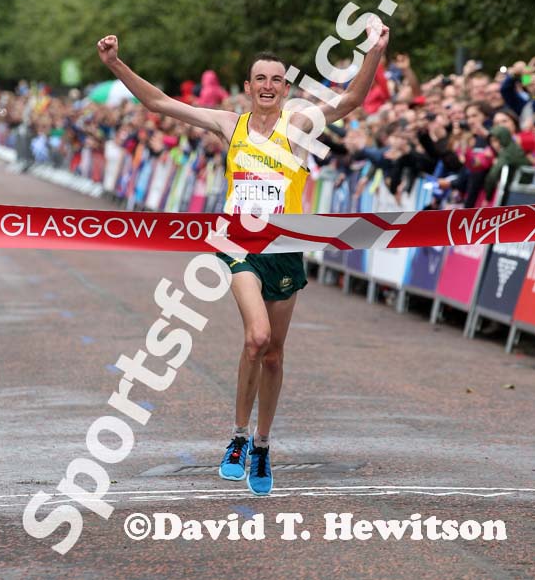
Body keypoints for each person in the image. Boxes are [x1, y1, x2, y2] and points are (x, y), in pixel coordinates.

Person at [97, 27, 389, 495]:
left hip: (285, 250)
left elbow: (352, 99)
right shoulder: (228, 125)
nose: (269, 85)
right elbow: (161, 104)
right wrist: (115, 64)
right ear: (249, 87)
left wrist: (375, 51)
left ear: (285, 89)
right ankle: (236, 437)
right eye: (260, 78)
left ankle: (263, 444)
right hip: (238, 246)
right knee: (256, 337)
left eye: (277, 78)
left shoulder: (298, 126)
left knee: (274, 354)